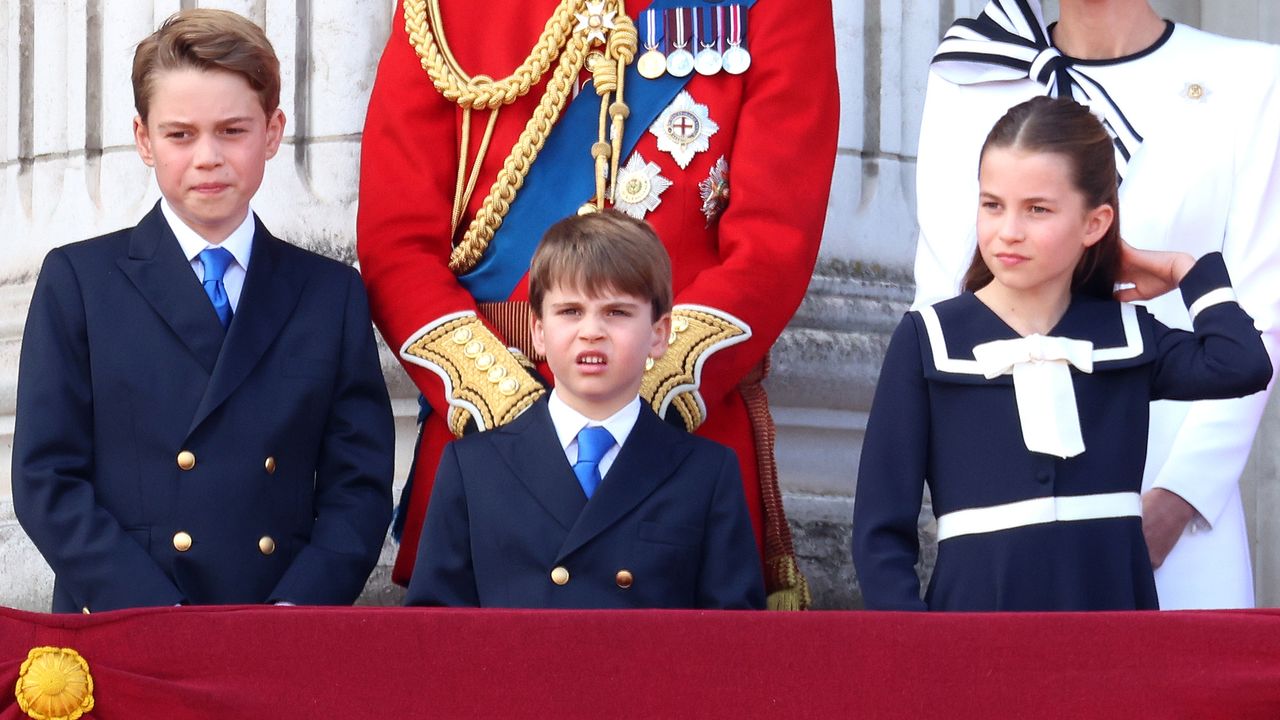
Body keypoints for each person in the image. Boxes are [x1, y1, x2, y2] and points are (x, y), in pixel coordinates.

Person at [357, 0, 838, 609]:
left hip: (675, 453)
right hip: (487, 451)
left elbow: (772, 248)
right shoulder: (444, 11)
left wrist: (635, 399)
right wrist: (512, 412)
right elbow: (396, 243)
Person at [11, 9, 395, 612]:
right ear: (143, 139)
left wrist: (294, 613)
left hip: (279, 627)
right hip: (126, 622)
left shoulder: (329, 294)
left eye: (233, 130)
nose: (208, 157)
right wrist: (151, 615)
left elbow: (360, 488)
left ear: (273, 132)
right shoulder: (80, 282)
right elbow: (46, 480)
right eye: (180, 134)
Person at [911, 0, 1280, 609]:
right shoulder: (972, 72)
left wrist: (1179, 499)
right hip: (1008, 512)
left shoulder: (1251, 78)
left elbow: (1261, 309)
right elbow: (946, 292)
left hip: (1179, 503)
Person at [404, 211, 765, 608]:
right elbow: (435, 635)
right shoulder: (472, 468)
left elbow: (732, 643)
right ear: (538, 332)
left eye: (617, 312)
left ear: (659, 335)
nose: (592, 331)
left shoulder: (706, 474)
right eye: (570, 311)